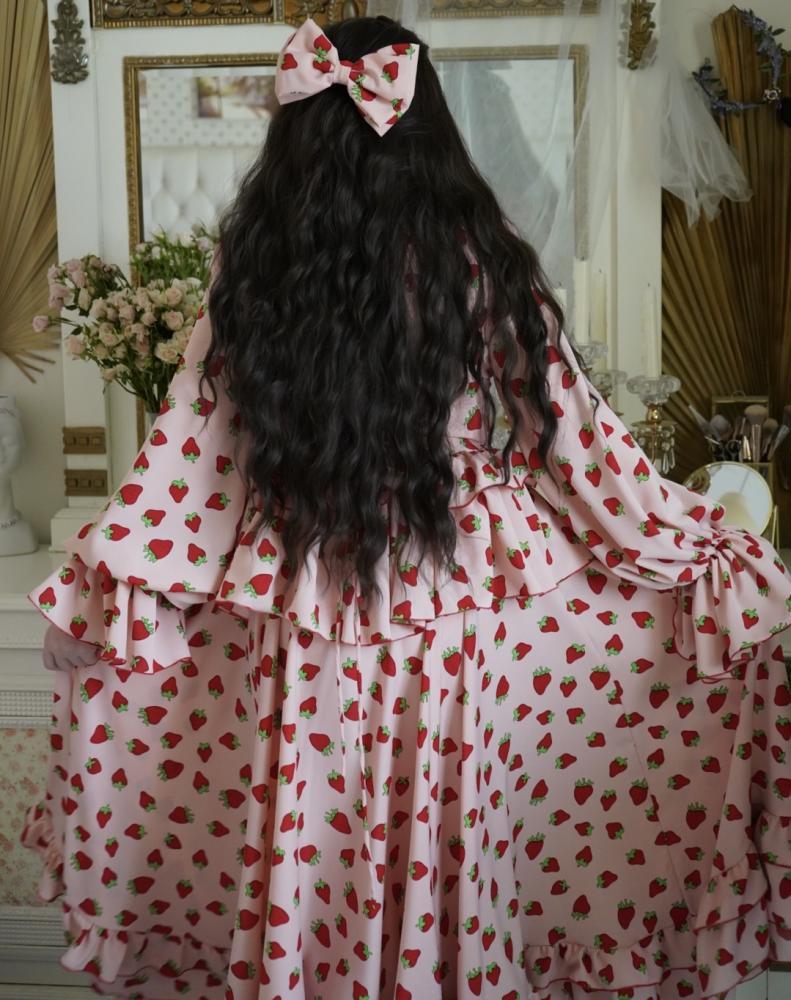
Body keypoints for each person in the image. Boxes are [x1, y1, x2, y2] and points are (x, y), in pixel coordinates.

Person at [21, 14, 791, 1000]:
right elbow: (576, 442)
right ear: (429, 123)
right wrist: (693, 547)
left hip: (303, 593)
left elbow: (195, 447)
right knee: (455, 826)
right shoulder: (484, 257)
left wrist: (106, 580)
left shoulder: (255, 260)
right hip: (456, 595)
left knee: (316, 825)